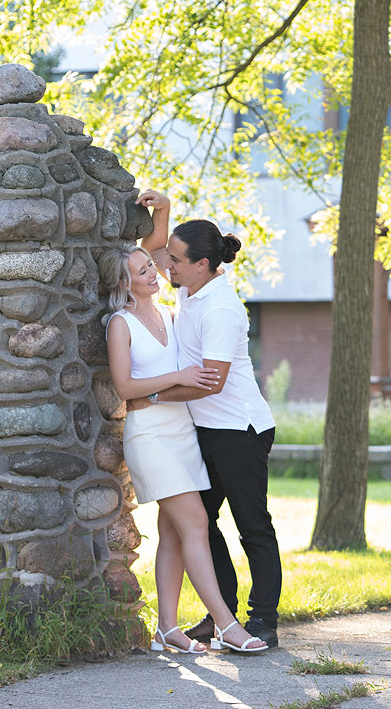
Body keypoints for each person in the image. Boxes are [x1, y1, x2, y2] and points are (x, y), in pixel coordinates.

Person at [99, 243, 268, 655]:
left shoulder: (171, 313)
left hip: (183, 432)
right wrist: (177, 377)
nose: (155, 273)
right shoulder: (120, 325)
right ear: (125, 284)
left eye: (152, 267)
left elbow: (160, 248)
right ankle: (226, 624)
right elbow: (124, 388)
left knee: (173, 533)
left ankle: (167, 628)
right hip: (151, 438)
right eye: (143, 272)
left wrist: (166, 210)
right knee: (195, 523)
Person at [135, 191, 282, 650]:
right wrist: (164, 209)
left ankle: (263, 621)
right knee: (200, 523)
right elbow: (153, 250)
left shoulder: (219, 307)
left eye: (177, 261)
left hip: (239, 430)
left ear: (202, 264)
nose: (167, 267)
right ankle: (223, 615)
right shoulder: (188, 287)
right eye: (170, 261)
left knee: (251, 524)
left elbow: (211, 383)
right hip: (206, 431)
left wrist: (152, 393)